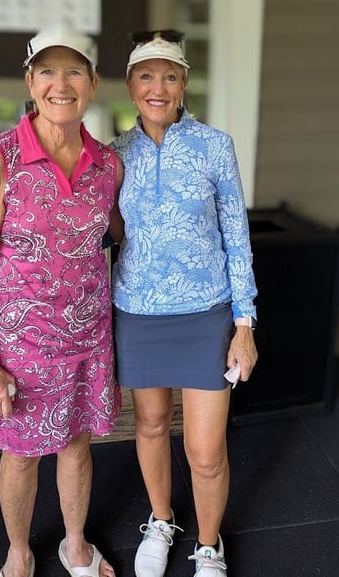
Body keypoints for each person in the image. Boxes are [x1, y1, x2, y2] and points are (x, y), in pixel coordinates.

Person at [0, 26, 123, 577]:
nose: (61, 84)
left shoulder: (107, 165)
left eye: (74, 71)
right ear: (30, 82)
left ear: (93, 83)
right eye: (47, 71)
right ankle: (19, 550)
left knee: (77, 445)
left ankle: (75, 544)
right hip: (20, 347)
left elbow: (122, 235)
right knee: (22, 453)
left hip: (88, 338)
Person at [110, 30, 258, 577]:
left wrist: (244, 323)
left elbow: (236, 235)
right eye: (146, 76)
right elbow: (107, 233)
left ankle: (209, 545)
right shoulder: (114, 154)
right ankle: (161, 519)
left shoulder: (215, 146)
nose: (158, 87)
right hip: (137, 312)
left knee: (205, 451)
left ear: (184, 84)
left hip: (206, 314)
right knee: (150, 426)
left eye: (169, 76)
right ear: (130, 86)